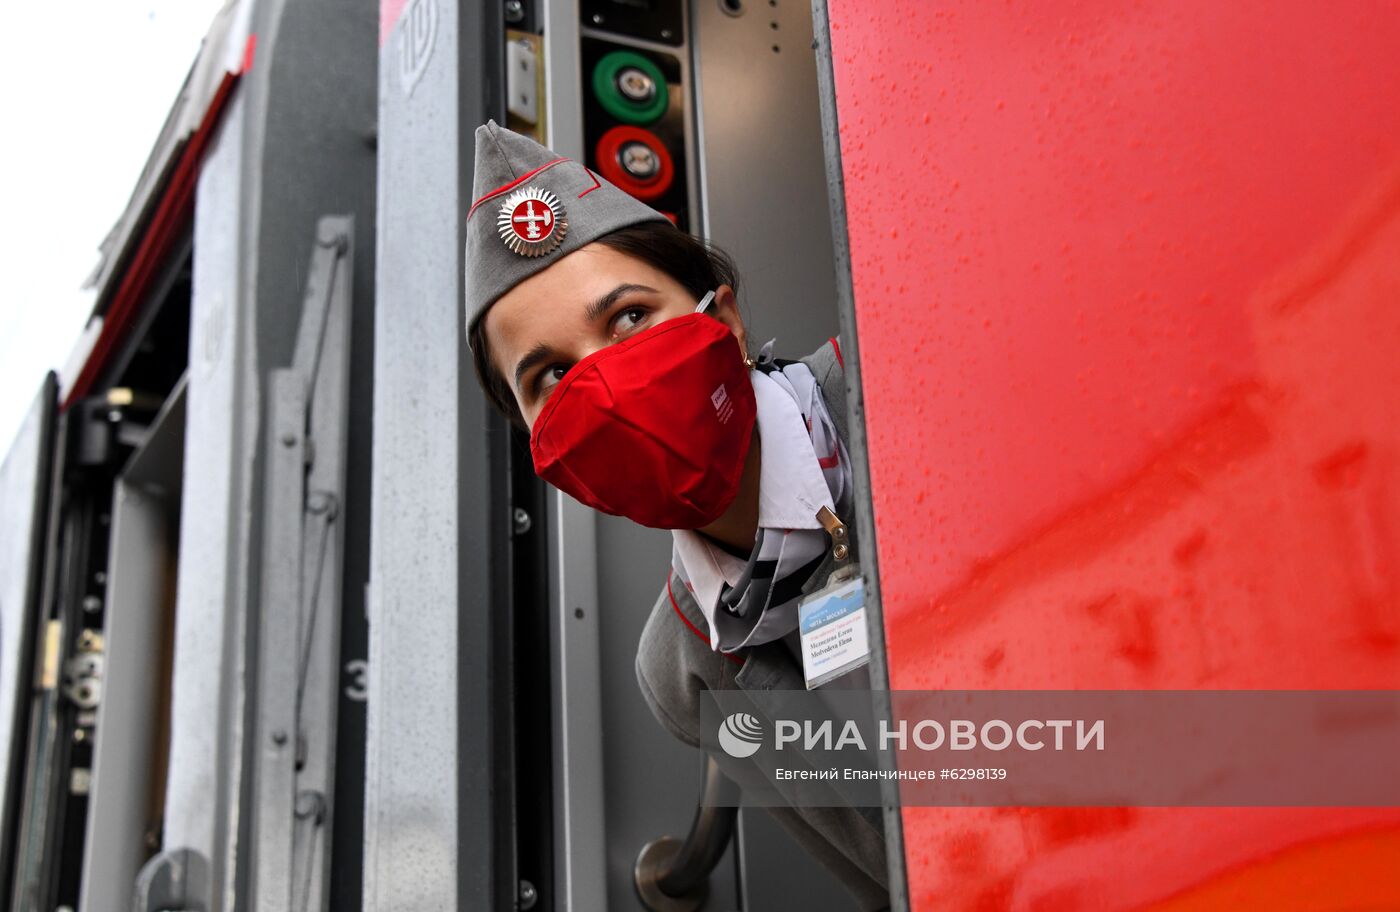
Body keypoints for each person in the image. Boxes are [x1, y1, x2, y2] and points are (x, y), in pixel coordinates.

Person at [463, 120, 889, 911]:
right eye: (551, 376)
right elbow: (882, 878)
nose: (608, 387)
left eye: (628, 318)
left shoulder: (899, 379)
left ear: (722, 318)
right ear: (535, 443)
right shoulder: (685, 671)